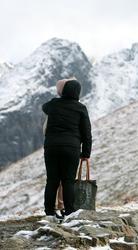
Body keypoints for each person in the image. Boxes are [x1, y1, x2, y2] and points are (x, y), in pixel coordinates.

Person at [42, 78, 92, 219]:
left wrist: (57, 98)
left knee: (52, 180)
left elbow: (44, 107)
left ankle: (49, 213)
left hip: (51, 147)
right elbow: (86, 133)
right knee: (68, 180)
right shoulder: (80, 108)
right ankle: (69, 212)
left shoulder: (53, 105)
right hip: (71, 148)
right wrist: (86, 153)